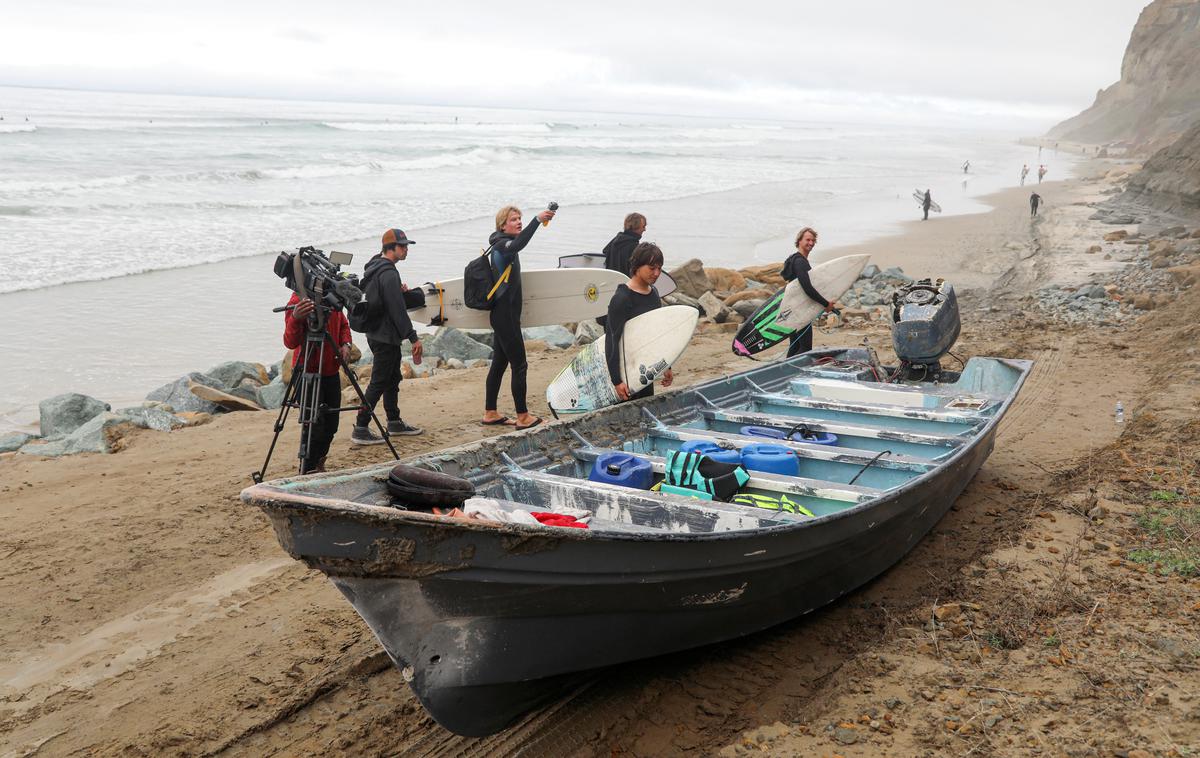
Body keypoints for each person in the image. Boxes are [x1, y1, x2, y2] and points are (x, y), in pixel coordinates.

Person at [481, 204, 556, 430]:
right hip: (505, 317)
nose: (519, 222)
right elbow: (518, 244)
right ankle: (523, 417)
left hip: (505, 315)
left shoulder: (501, 244)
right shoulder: (503, 246)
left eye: (520, 219)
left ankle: (490, 412)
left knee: (499, 364)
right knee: (520, 365)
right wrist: (536, 220)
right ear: (503, 225)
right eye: (514, 219)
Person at [351, 228, 424, 444]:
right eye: (403, 246)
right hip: (385, 336)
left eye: (407, 246)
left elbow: (386, 300)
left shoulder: (374, 266)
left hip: (376, 333)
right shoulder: (389, 273)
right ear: (390, 249)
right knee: (379, 381)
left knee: (393, 378)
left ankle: (394, 421)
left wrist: (397, 293)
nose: (406, 250)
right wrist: (413, 337)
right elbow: (397, 310)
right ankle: (361, 427)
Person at [282, 294, 352, 473]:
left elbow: (343, 323)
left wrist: (346, 343)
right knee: (313, 425)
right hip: (308, 371)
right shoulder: (299, 300)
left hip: (331, 371)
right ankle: (307, 468)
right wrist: (296, 318)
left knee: (331, 424)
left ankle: (318, 462)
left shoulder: (331, 296)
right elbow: (290, 342)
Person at [606, 242, 674, 402]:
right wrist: (616, 380)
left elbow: (657, 332)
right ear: (637, 265)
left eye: (659, 268)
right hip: (626, 371)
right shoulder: (622, 298)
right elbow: (611, 340)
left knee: (644, 413)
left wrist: (667, 365)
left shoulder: (654, 293)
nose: (657, 273)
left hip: (645, 370)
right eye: (652, 268)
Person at [781, 227, 838, 358]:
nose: (811, 243)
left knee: (795, 345)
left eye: (813, 240)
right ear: (799, 241)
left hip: (792, 309)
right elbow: (807, 287)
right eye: (807, 240)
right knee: (805, 348)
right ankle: (790, 372)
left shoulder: (794, 259)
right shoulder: (800, 262)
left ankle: (785, 371)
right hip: (800, 311)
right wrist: (825, 304)